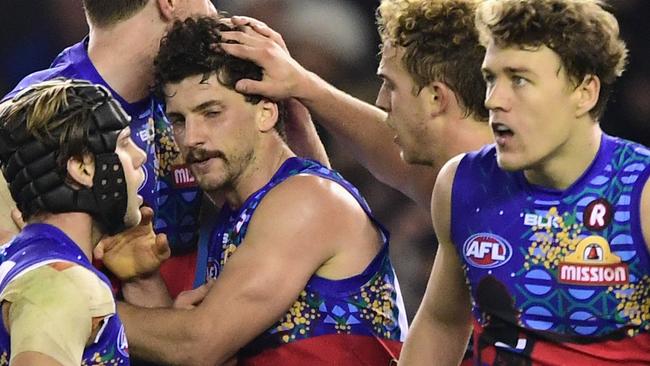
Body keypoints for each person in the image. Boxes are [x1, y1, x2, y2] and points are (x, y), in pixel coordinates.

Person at [116, 16, 408, 365]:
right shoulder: (242, 218)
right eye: (179, 120)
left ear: (266, 113)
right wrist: (142, 280)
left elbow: (196, 345)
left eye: (211, 112)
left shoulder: (305, 200)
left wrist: (83, 308)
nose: (191, 138)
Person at [400, 0, 650, 364]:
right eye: (490, 78)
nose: (494, 100)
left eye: (519, 79)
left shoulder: (641, 193)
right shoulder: (462, 183)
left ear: (584, 91)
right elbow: (442, 323)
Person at [0, 0, 222, 299]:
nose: (213, 10)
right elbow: (19, 292)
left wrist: (299, 93)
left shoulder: (201, 95)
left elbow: (285, 191)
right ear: (168, 3)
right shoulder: (33, 122)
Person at [219, 0, 494, 213]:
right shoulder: (456, 192)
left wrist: (304, 86)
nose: (381, 101)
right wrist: (301, 87)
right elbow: (393, 153)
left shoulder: (525, 183)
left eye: (391, 85)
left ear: (436, 98)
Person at [0, 78, 149, 365]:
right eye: (124, 143)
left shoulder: (19, 260)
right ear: (82, 168)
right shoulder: (64, 284)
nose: (140, 156)